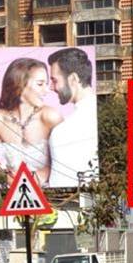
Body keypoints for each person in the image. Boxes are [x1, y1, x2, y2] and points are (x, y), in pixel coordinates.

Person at [0, 57, 63, 186]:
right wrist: (8, 178)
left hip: (50, 192)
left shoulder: (50, 116)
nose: (47, 90)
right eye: (40, 84)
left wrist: (37, 179)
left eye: (46, 83)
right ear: (19, 84)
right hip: (9, 193)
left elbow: (65, 160)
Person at [47, 48, 98, 188]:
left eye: (54, 80)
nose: (51, 87)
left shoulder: (62, 132)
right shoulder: (105, 115)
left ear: (73, 79)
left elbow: (59, 186)